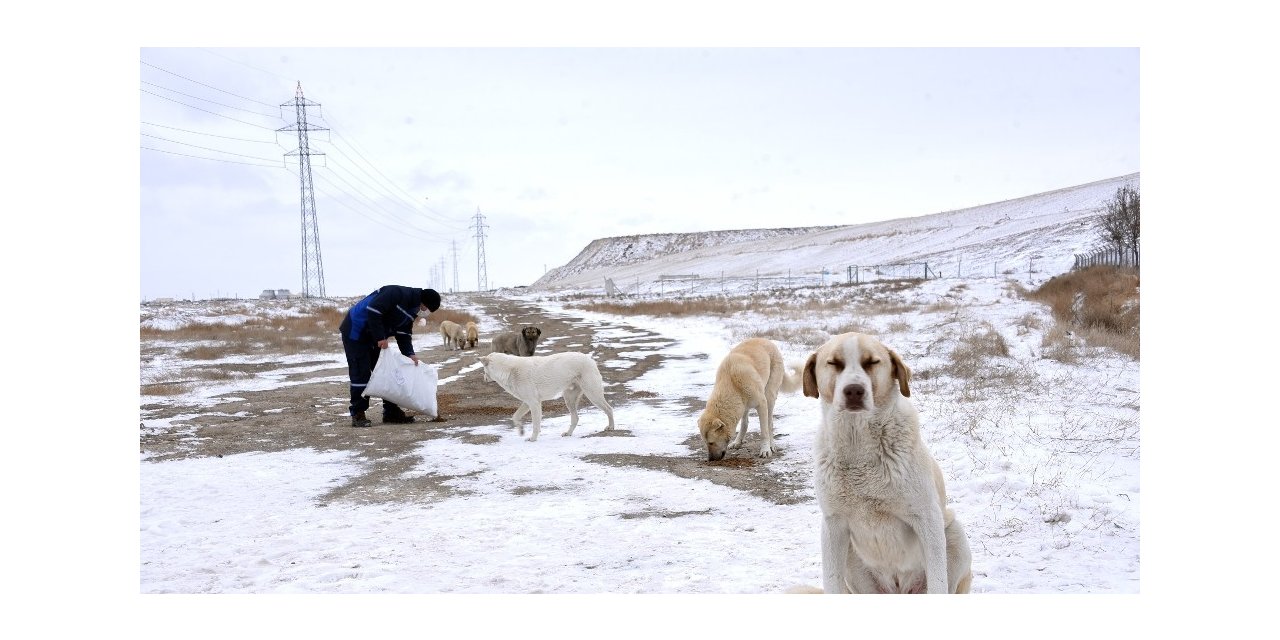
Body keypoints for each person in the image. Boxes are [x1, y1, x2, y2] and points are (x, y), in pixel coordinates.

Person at [339, 285, 442, 427]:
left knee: (387, 372)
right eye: (426, 309)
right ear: (423, 303)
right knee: (361, 373)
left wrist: (410, 355)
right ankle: (358, 413)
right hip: (356, 331)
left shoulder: (412, 309)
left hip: (374, 336)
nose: (424, 313)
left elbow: (404, 333)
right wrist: (380, 337)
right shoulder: (396, 293)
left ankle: (391, 412)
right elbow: (374, 310)